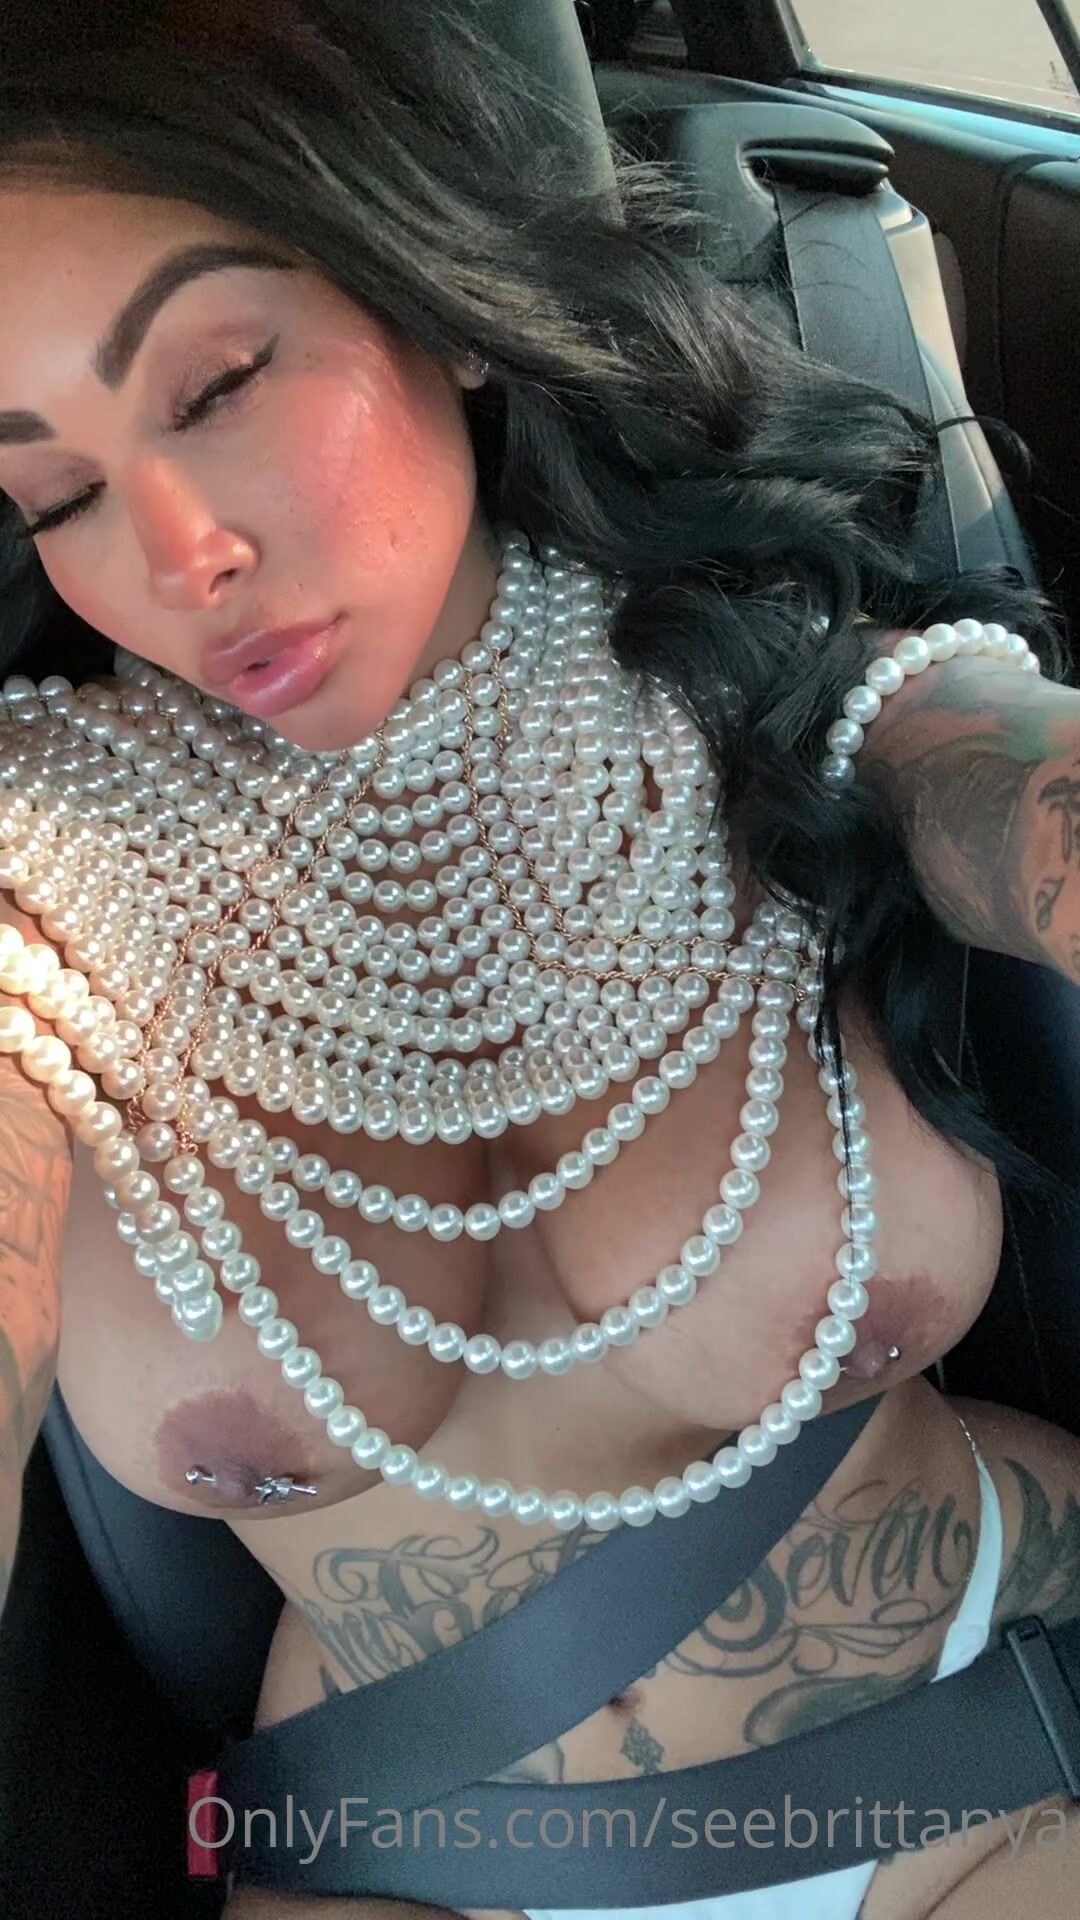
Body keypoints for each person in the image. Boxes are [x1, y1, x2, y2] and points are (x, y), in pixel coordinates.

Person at [0, 4, 1078, 1916]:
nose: (177, 551)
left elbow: (1007, 775)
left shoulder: (768, 675)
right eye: (56, 494)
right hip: (426, 1860)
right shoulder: (43, 879)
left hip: (1010, 1721)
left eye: (220, 380)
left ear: (434, 299)